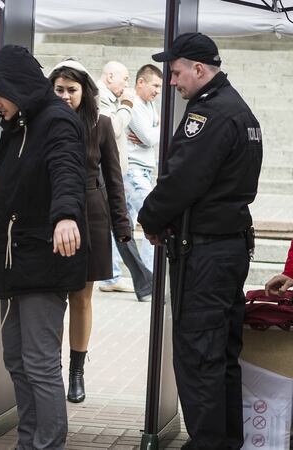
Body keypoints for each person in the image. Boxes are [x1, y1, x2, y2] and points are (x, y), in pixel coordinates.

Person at [139, 32, 263, 450]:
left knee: (199, 354)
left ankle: (208, 444)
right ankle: (225, 441)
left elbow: (182, 180)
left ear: (198, 68)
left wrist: (150, 217)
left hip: (208, 251)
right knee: (222, 353)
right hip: (228, 246)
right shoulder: (239, 110)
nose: (171, 82)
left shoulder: (209, 114)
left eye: (175, 73)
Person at [0, 45, 87, 449]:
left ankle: (47, 444)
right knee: (17, 362)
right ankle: (29, 442)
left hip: (42, 260)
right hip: (14, 262)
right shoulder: (20, 122)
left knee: (39, 363)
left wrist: (64, 215)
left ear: (15, 87)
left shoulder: (56, 120)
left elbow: (66, 170)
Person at [48, 60, 131, 404]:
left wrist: (122, 223)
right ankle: (47, 370)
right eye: (59, 90)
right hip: (52, 217)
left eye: (72, 90)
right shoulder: (42, 124)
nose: (66, 96)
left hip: (91, 216)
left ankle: (76, 372)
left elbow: (114, 179)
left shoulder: (101, 123)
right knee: (51, 296)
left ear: (85, 91)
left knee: (81, 298)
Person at [96, 61, 154, 299]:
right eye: (125, 79)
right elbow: (113, 129)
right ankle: (146, 282)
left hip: (112, 174)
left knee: (122, 227)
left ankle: (137, 280)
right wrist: (127, 105)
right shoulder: (100, 97)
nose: (126, 84)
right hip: (105, 175)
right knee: (123, 228)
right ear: (110, 76)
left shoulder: (110, 99)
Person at [124, 64, 163, 270]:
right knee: (152, 219)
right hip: (133, 170)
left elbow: (152, 134)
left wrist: (155, 130)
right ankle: (150, 273)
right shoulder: (134, 104)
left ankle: (111, 277)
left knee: (124, 223)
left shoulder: (149, 105)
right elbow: (149, 138)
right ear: (141, 82)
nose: (158, 91)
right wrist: (158, 129)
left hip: (144, 169)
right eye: (155, 85)